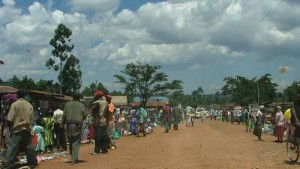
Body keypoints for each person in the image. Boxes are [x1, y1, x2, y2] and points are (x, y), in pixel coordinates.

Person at [2, 90, 38, 169]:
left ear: (17, 96)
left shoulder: (14, 105)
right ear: (24, 96)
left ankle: (7, 164)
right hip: (26, 128)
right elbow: (32, 119)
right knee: (29, 147)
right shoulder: (29, 105)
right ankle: (33, 162)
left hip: (16, 128)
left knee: (13, 146)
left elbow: (10, 118)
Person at [63, 93, 87, 164]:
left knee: (70, 140)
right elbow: (85, 114)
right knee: (75, 142)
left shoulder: (67, 104)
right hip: (77, 125)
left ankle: (72, 155)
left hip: (68, 125)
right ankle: (74, 159)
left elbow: (64, 115)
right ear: (79, 98)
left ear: (72, 97)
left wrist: (62, 123)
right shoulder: (81, 105)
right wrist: (82, 119)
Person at [91, 91, 110, 155]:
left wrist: (94, 121)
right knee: (104, 136)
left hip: (98, 122)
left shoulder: (96, 103)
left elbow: (94, 113)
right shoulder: (106, 102)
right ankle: (104, 149)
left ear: (98, 96)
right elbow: (107, 113)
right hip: (104, 121)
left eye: (95, 96)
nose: (94, 97)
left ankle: (97, 150)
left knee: (98, 137)